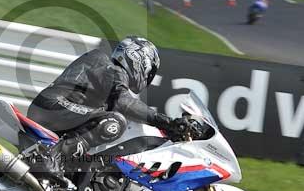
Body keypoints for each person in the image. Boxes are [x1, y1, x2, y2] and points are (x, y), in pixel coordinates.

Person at [28, 36, 192, 178]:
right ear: (138, 59)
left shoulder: (106, 70)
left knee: (109, 122)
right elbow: (123, 103)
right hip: (55, 106)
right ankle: (52, 158)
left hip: (55, 109)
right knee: (115, 121)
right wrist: (166, 122)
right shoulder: (111, 68)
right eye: (148, 71)